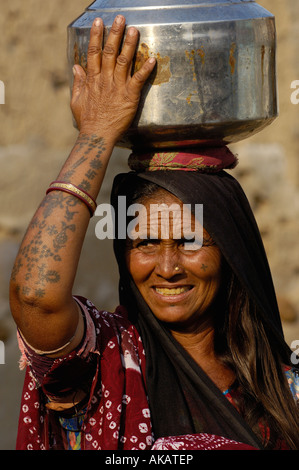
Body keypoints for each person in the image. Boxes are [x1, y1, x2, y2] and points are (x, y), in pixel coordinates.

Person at [10, 16, 299, 451]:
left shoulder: (286, 387)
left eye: (189, 242)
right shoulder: (101, 364)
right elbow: (35, 296)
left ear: (232, 249)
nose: (167, 268)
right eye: (145, 242)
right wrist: (97, 133)